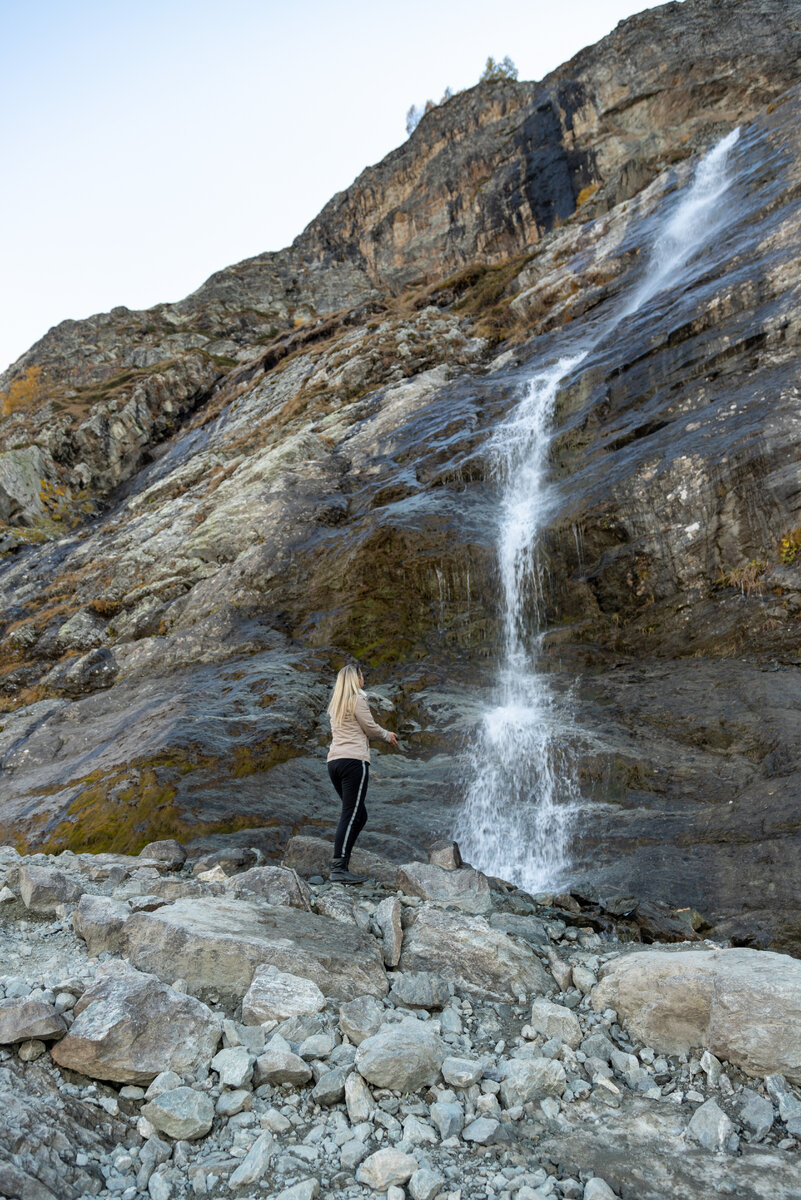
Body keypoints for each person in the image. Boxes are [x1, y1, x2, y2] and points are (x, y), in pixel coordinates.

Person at [327, 663, 398, 883]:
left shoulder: (335, 705)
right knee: (350, 814)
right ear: (355, 679)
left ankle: (343, 863)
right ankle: (339, 867)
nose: (363, 678)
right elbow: (370, 728)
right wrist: (388, 735)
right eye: (361, 675)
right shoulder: (357, 699)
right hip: (353, 762)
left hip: (334, 762)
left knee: (359, 815)